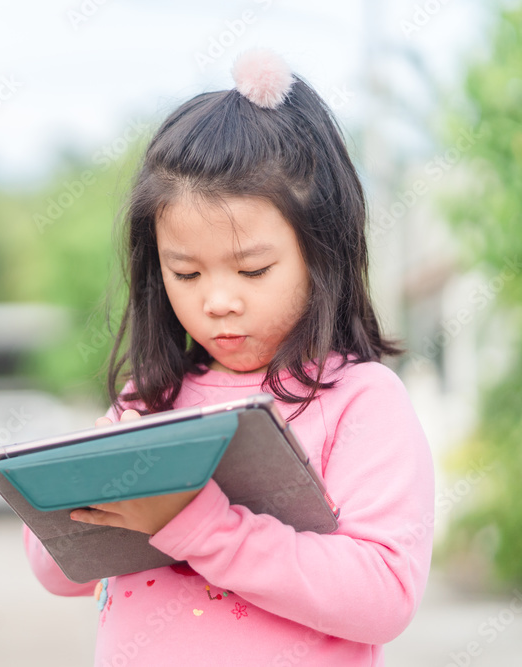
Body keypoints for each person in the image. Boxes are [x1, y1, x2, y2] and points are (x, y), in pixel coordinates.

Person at [22, 49, 434, 666]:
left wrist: (198, 522)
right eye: (184, 272)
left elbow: (384, 595)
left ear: (321, 251)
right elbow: (58, 571)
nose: (217, 301)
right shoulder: (150, 399)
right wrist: (83, 479)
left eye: (252, 269)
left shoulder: (360, 401)